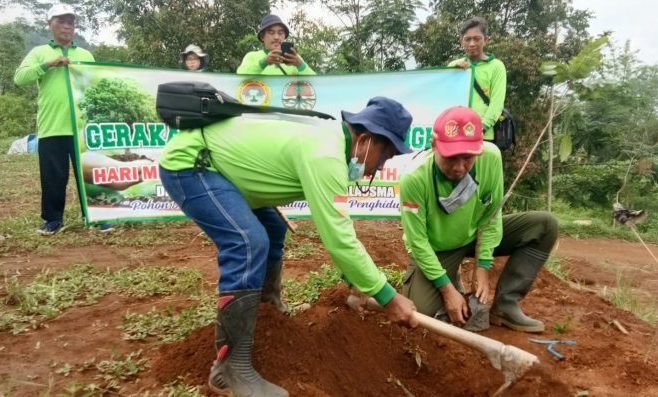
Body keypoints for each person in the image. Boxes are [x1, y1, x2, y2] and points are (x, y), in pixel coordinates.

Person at [159, 97, 418, 396]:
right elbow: (340, 239)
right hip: (192, 164)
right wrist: (388, 297)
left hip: (223, 170)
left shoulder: (331, 141)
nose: (379, 168)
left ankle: (268, 311)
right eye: (384, 157)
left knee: (272, 227)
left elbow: (338, 232)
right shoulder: (326, 155)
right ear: (367, 140)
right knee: (248, 242)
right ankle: (228, 370)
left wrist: (358, 279)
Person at [399, 106, 558, 333]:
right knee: (422, 314)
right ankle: (451, 278)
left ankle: (506, 306)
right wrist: (447, 290)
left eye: (468, 158)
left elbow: (491, 215)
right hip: (437, 247)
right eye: (451, 158)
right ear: (434, 145)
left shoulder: (491, 158)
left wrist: (482, 266)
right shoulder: (414, 179)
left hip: (474, 235)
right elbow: (418, 241)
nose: (459, 167)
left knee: (544, 225)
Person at [14, 4, 113, 234]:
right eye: (61, 21)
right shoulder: (40, 52)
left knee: (89, 173)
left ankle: (98, 216)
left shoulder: (85, 54)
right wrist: (48, 65)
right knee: (53, 177)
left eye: (71, 22)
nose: (67, 26)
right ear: (50, 24)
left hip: (82, 127)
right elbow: (19, 78)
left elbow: (96, 85)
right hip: (52, 126)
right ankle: (53, 220)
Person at [449, 17, 506, 142]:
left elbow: (497, 103)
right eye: (467, 39)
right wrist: (455, 73)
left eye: (477, 38)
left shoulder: (497, 66)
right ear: (461, 41)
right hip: (455, 134)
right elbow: (445, 97)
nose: (472, 43)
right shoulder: (454, 65)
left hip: (483, 136)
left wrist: (482, 128)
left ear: (486, 40)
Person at [237, 14, 315, 75]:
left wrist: (300, 65)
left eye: (280, 33)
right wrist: (264, 62)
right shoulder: (251, 56)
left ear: (284, 36)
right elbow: (240, 78)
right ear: (262, 37)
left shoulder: (294, 59)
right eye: (271, 33)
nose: (276, 37)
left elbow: (315, 85)